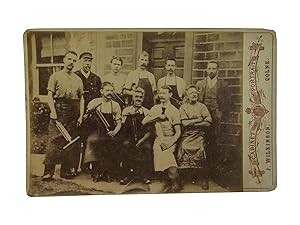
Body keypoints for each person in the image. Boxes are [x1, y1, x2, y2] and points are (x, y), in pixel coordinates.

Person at [42, 51, 84, 180]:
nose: (71, 62)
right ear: (64, 60)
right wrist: (53, 111)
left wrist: (81, 115)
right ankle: (48, 171)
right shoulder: (55, 76)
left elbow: (81, 98)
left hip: (74, 111)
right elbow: (50, 95)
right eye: (69, 59)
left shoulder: (78, 79)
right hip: (59, 110)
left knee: (70, 141)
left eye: (74, 60)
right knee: (54, 141)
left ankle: (65, 171)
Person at [142, 85, 182, 192]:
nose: (162, 96)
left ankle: (175, 180)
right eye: (160, 93)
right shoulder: (155, 108)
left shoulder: (174, 110)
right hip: (159, 139)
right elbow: (144, 121)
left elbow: (178, 132)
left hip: (170, 139)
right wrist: (157, 117)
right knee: (158, 150)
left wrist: (170, 143)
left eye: (164, 93)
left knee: (167, 153)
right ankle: (165, 179)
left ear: (170, 94)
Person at [195, 61, 232, 172]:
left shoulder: (223, 85)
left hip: (216, 116)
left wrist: (221, 112)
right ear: (206, 70)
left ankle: (213, 167)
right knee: (202, 139)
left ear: (217, 70)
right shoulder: (200, 84)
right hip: (203, 116)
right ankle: (201, 167)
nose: (211, 71)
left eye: (214, 68)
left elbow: (228, 101)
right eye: (209, 68)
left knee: (215, 140)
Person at [82, 82, 122, 182]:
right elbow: (86, 119)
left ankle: (108, 172)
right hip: (96, 130)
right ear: (101, 91)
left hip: (110, 131)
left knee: (112, 143)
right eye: (107, 90)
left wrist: (115, 131)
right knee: (93, 141)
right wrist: (88, 115)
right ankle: (96, 171)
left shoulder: (115, 105)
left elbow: (119, 122)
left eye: (111, 90)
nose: (110, 93)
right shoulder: (94, 102)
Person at [177, 85, 212, 189]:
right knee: (183, 147)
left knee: (201, 149)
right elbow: (184, 123)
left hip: (199, 134)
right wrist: (198, 120)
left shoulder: (202, 107)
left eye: (195, 93)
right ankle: (184, 177)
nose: (194, 94)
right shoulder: (183, 107)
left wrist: (194, 124)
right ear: (187, 95)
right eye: (191, 93)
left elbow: (208, 122)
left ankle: (203, 178)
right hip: (187, 135)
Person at [119, 87, 153, 185]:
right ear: (133, 98)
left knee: (146, 148)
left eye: (140, 97)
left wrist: (142, 140)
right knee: (125, 146)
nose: (138, 99)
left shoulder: (147, 112)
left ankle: (144, 175)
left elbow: (150, 131)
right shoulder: (126, 110)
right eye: (136, 96)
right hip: (129, 138)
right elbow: (123, 129)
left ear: (143, 99)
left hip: (143, 139)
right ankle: (127, 175)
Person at [75, 52, 102, 173]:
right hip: (78, 113)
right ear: (80, 61)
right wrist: (81, 114)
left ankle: (90, 165)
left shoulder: (96, 78)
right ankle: (75, 165)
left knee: (92, 139)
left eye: (90, 61)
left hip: (93, 115)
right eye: (85, 60)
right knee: (78, 139)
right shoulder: (75, 76)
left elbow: (99, 98)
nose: (88, 63)